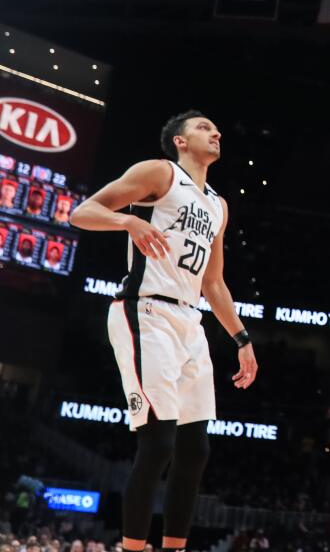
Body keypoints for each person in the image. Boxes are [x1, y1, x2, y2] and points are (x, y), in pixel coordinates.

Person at [70, 111, 259, 552]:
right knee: (158, 443)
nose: (216, 132)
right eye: (203, 127)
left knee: (195, 451)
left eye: (216, 127)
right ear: (179, 141)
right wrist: (128, 221)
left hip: (190, 321)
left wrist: (242, 339)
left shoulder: (218, 204)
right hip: (146, 311)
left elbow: (213, 283)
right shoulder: (160, 172)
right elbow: (84, 211)